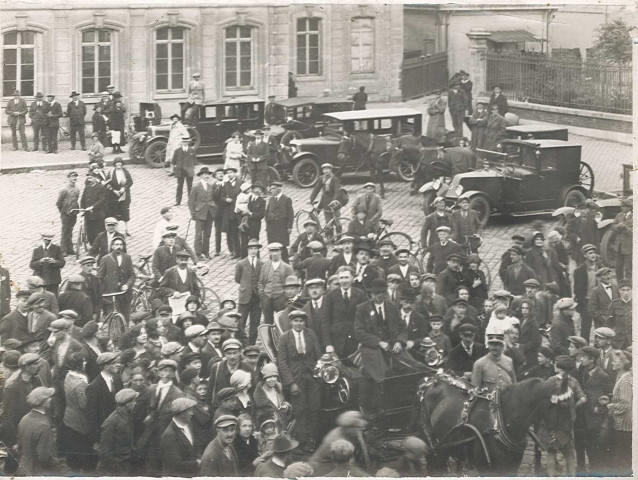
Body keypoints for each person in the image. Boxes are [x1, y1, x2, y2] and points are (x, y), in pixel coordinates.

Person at [277, 310, 322, 451]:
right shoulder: (285, 338)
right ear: (291, 322)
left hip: (312, 376)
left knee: (315, 408)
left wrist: (319, 369)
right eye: (295, 321)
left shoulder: (310, 334)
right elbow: (282, 362)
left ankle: (312, 438)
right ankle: (302, 441)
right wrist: (291, 383)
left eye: (301, 321)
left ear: (304, 322)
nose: (298, 323)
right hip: (296, 378)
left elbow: (318, 354)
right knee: (300, 409)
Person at [16, 387, 58, 475]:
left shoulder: (24, 419)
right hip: (37, 471)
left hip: (23, 468)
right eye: (48, 397)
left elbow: (19, 448)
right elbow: (44, 457)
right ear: (42, 403)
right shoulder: (43, 426)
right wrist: (56, 462)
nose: (50, 399)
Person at [97, 388, 138, 475]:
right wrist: (116, 469)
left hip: (124, 465)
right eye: (134, 401)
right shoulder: (112, 421)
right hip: (114, 470)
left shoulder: (127, 416)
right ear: (127, 404)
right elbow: (104, 451)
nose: (135, 403)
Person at [605, 348, 632, 475]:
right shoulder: (620, 377)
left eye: (614, 361)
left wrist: (611, 406)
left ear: (621, 364)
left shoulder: (626, 380)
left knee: (622, 458)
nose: (612, 363)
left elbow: (625, 404)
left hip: (625, 425)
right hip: (620, 424)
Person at [160, 398, 200, 476]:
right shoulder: (169, 435)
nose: (192, 413)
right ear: (182, 414)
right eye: (190, 411)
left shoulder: (188, 425)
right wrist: (197, 463)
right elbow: (175, 465)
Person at [258, 243, 295, 326]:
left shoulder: (287, 267)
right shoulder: (265, 266)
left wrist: (289, 301)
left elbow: (294, 285)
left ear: (280, 251)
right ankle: (269, 338)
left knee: (282, 321)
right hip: (267, 298)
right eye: (272, 251)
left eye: (277, 251)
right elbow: (260, 282)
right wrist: (262, 294)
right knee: (267, 322)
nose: (274, 253)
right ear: (269, 252)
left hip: (281, 298)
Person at [189, 167, 219, 260]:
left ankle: (206, 252)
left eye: (208, 174)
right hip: (200, 213)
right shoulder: (196, 187)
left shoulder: (210, 186)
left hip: (210, 213)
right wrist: (193, 213)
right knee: (198, 235)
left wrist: (214, 207)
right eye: (205, 174)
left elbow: (213, 198)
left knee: (207, 234)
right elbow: (191, 202)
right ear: (201, 176)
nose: (207, 176)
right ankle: (197, 254)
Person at [573, 244, 602, 342]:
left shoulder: (601, 268)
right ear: (585, 255)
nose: (593, 255)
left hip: (599, 303)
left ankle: (598, 349)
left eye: (594, 252)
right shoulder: (579, 270)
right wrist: (583, 304)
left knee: (600, 327)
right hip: (586, 302)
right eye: (590, 253)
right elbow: (577, 290)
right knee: (585, 328)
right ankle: (584, 349)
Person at [265, 182, 294, 264]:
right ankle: (272, 263)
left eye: (273, 188)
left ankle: (286, 263)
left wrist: (289, 226)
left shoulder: (286, 199)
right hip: (272, 228)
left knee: (283, 247)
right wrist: (267, 225)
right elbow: (267, 213)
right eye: (270, 188)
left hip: (282, 227)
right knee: (272, 246)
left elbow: (290, 214)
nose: (271, 190)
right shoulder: (271, 199)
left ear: (279, 189)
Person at [30, 232, 65, 296]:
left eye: (49, 240)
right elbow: (32, 265)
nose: (47, 242)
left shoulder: (57, 249)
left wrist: (54, 261)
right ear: (42, 239)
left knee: (53, 298)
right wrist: (40, 261)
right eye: (45, 240)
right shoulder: (37, 250)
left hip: (53, 281)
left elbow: (62, 263)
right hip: (40, 280)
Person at [309, 163, 342, 234]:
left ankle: (339, 236)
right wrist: (311, 199)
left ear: (331, 170)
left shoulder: (335, 179)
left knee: (336, 220)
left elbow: (337, 191)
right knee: (328, 221)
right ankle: (330, 237)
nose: (325, 171)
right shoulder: (322, 178)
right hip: (325, 203)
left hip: (334, 203)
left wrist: (334, 200)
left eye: (327, 169)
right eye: (324, 169)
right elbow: (316, 189)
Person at [55, 171, 81, 256]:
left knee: (70, 230)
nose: (74, 178)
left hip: (73, 213)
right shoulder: (64, 190)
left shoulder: (77, 189)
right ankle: (62, 249)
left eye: (76, 177)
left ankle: (70, 249)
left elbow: (76, 200)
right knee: (65, 231)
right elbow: (59, 202)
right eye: (73, 177)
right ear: (69, 178)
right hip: (65, 213)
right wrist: (63, 211)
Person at [106, 158, 133, 236]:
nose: (118, 165)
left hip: (124, 196)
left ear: (122, 164)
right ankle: (116, 230)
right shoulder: (111, 172)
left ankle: (127, 230)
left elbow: (130, 182)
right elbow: (107, 184)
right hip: (114, 196)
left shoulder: (125, 172)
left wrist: (124, 188)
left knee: (125, 213)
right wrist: (114, 190)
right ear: (114, 164)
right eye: (117, 163)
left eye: (120, 163)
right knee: (115, 212)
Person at [239, 182, 266, 258]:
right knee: (244, 241)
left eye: (259, 189)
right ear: (252, 189)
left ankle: (256, 259)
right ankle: (244, 258)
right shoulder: (248, 198)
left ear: (261, 191)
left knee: (254, 242)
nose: (257, 190)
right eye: (256, 188)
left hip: (255, 224)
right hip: (245, 222)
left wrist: (250, 213)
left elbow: (261, 215)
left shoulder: (262, 201)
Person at [221, 167, 243, 259]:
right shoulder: (225, 184)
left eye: (231, 172)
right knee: (232, 233)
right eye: (228, 173)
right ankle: (235, 251)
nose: (229, 174)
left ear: (235, 173)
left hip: (240, 212)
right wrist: (226, 199)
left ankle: (243, 251)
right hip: (230, 212)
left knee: (242, 233)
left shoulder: (241, 183)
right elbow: (221, 197)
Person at [81, 172, 108, 244]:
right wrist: (82, 209)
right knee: (90, 232)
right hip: (88, 215)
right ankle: (92, 246)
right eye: (88, 178)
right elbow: (83, 199)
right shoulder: (87, 188)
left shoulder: (100, 187)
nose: (89, 179)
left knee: (99, 232)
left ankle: (101, 246)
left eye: (91, 178)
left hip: (98, 214)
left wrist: (92, 207)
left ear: (96, 178)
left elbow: (101, 200)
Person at [173, 135, 197, 206]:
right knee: (179, 186)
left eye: (186, 142)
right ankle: (178, 201)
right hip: (180, 170)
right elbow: (174, 160)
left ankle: (190, 201)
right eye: (184, 142)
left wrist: (191, 166)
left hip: (189, 170)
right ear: (181, 142)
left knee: (190, 186)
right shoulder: (177, 151)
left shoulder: (192, 150)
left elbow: (194, 159)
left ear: (188, 142)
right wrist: (176, 167)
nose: (185, 143)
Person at [608, 279, 632, 349]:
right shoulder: (614, 304)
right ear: (619, 291)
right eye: (623, 290)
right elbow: (609, 323)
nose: (626, 293)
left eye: (628, 290)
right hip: (618, 341)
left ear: (632, 290)